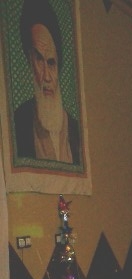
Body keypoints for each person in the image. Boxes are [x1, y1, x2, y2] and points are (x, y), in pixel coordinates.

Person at [14, 0, 80, 163]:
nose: (47, 77)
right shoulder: (19, 121)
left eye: (51, 63)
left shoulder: (75, 129)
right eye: (39, 60)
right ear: (30, 61)